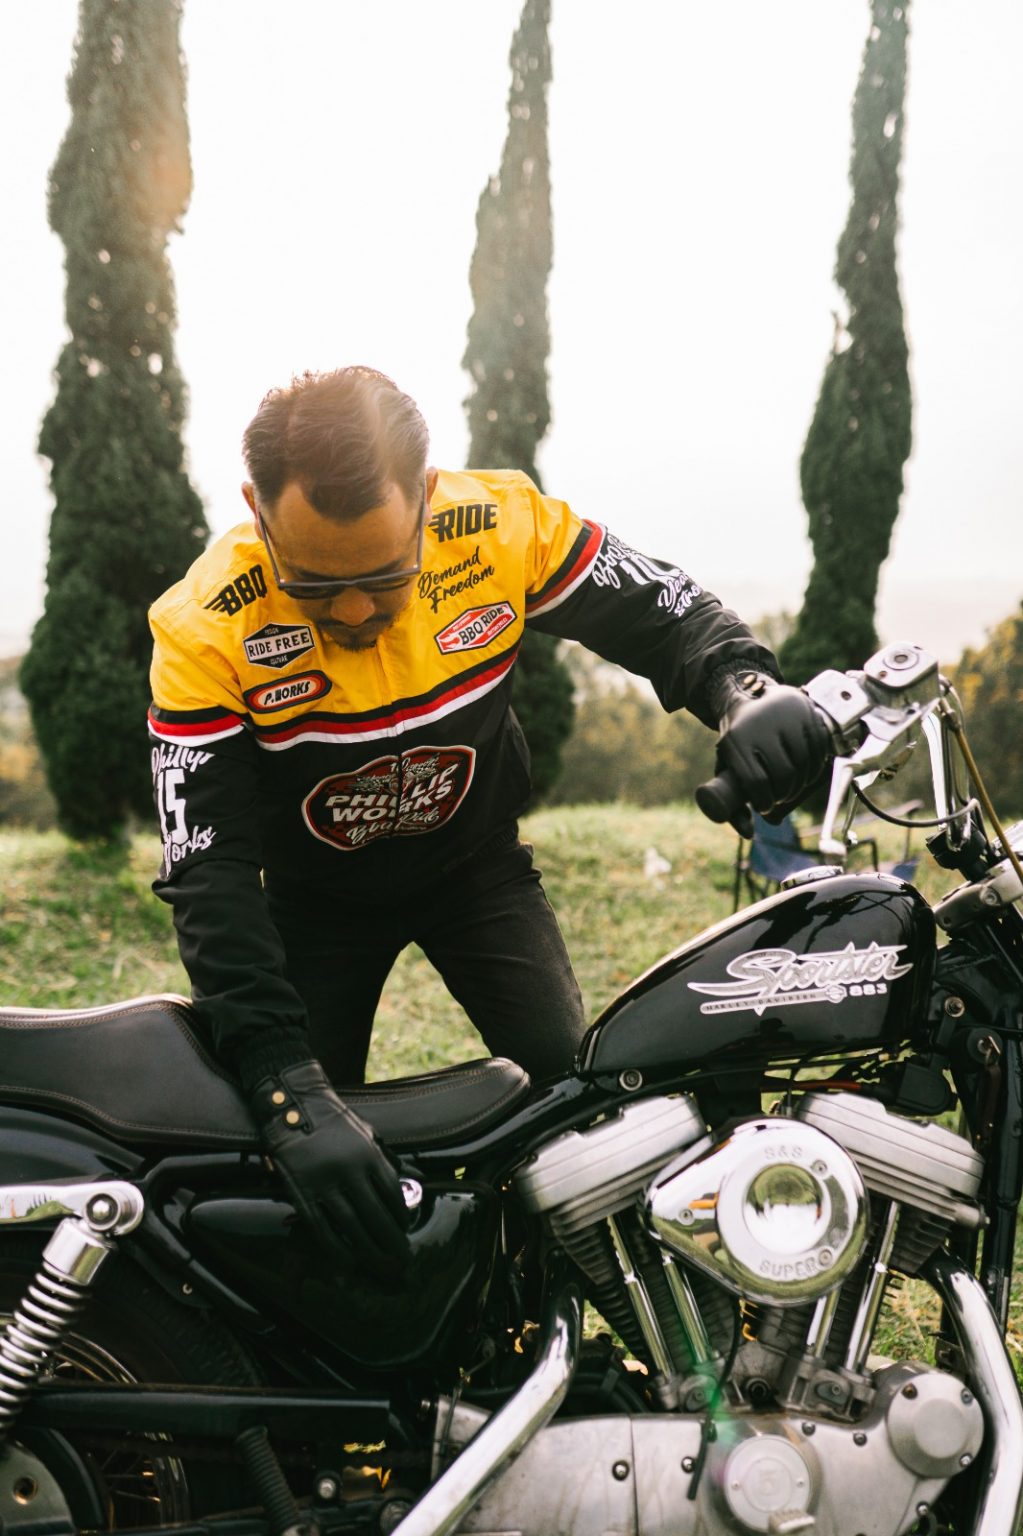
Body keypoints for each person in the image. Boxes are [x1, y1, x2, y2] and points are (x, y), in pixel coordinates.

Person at [147, 366, 829, 1274]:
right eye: (311, 584)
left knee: (583, 1111)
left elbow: (659, 608)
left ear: (427, 498)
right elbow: (210, 870)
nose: (352, 611)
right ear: (255, 510)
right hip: (313, 906)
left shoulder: (499, 525)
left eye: (384, 577)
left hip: (475, 873)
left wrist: (741, 685)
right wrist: (283, 1084)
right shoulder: (202, 626)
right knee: (289, 1170)